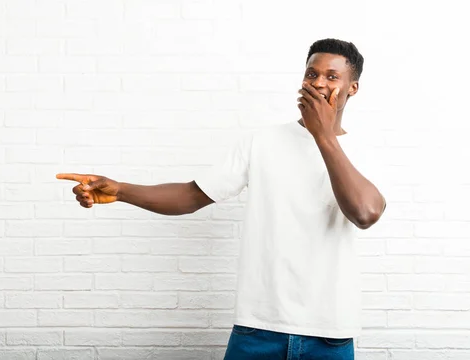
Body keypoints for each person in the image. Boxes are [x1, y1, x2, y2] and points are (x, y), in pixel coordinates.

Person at [57, 38, 386, 360]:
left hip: (329, 335)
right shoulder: (263, 142)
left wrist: (323, 135)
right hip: (258, 329)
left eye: (332, 76)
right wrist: (121, 190)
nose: (318, 83)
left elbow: (365, 213)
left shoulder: (360, 151)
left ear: (352, 88)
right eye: (311, 73)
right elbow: (192, 195)